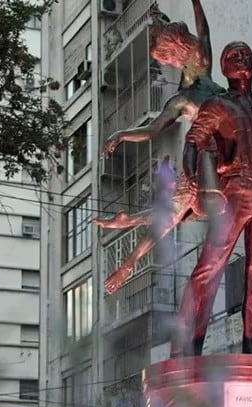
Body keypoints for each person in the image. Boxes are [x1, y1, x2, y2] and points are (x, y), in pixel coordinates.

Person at [171, 41, 252, 357]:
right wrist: (193, 180)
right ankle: (187, 344)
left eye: (245, 53)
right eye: (231, 55)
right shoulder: (217, 106)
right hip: (236, 190)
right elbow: (193, 142)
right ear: (224, 67)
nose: (240, 57)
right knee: (210, 267)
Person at [96, 0, 224, 295]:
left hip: (217, 155)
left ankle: (128, 223)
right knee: (168, 217)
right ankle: (128, 263)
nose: (199, 52)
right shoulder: (184, 97)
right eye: (192, 49)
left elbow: (204, 28)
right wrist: (123, 134)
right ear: (182, 55)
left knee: (168, 215)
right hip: (204, 162)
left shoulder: (200, 72)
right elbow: (153, 130)